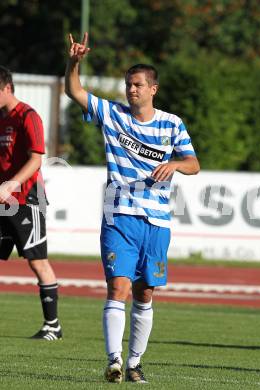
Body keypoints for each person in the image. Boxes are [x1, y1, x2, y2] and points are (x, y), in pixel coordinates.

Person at [65, 33, 200, 383]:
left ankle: (135, 361)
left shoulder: (172, 124)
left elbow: (194, 163)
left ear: (152, 88)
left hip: (156, 220)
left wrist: (175, 165)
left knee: (145, 292)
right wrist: (74, 63)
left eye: (138, 84)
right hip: (119, 215)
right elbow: (75, 92)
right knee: (118, 288)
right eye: (128, 84)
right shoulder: (112, 115)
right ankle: (113, 360)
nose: (131, 90)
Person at [0, 65, 62, 341]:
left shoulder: (28, 116)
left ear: (7, 88)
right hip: (2, 201)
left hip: (27, 200)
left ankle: (53, 326)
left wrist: (12, 183)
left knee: (37, 262)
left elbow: (37, 158)